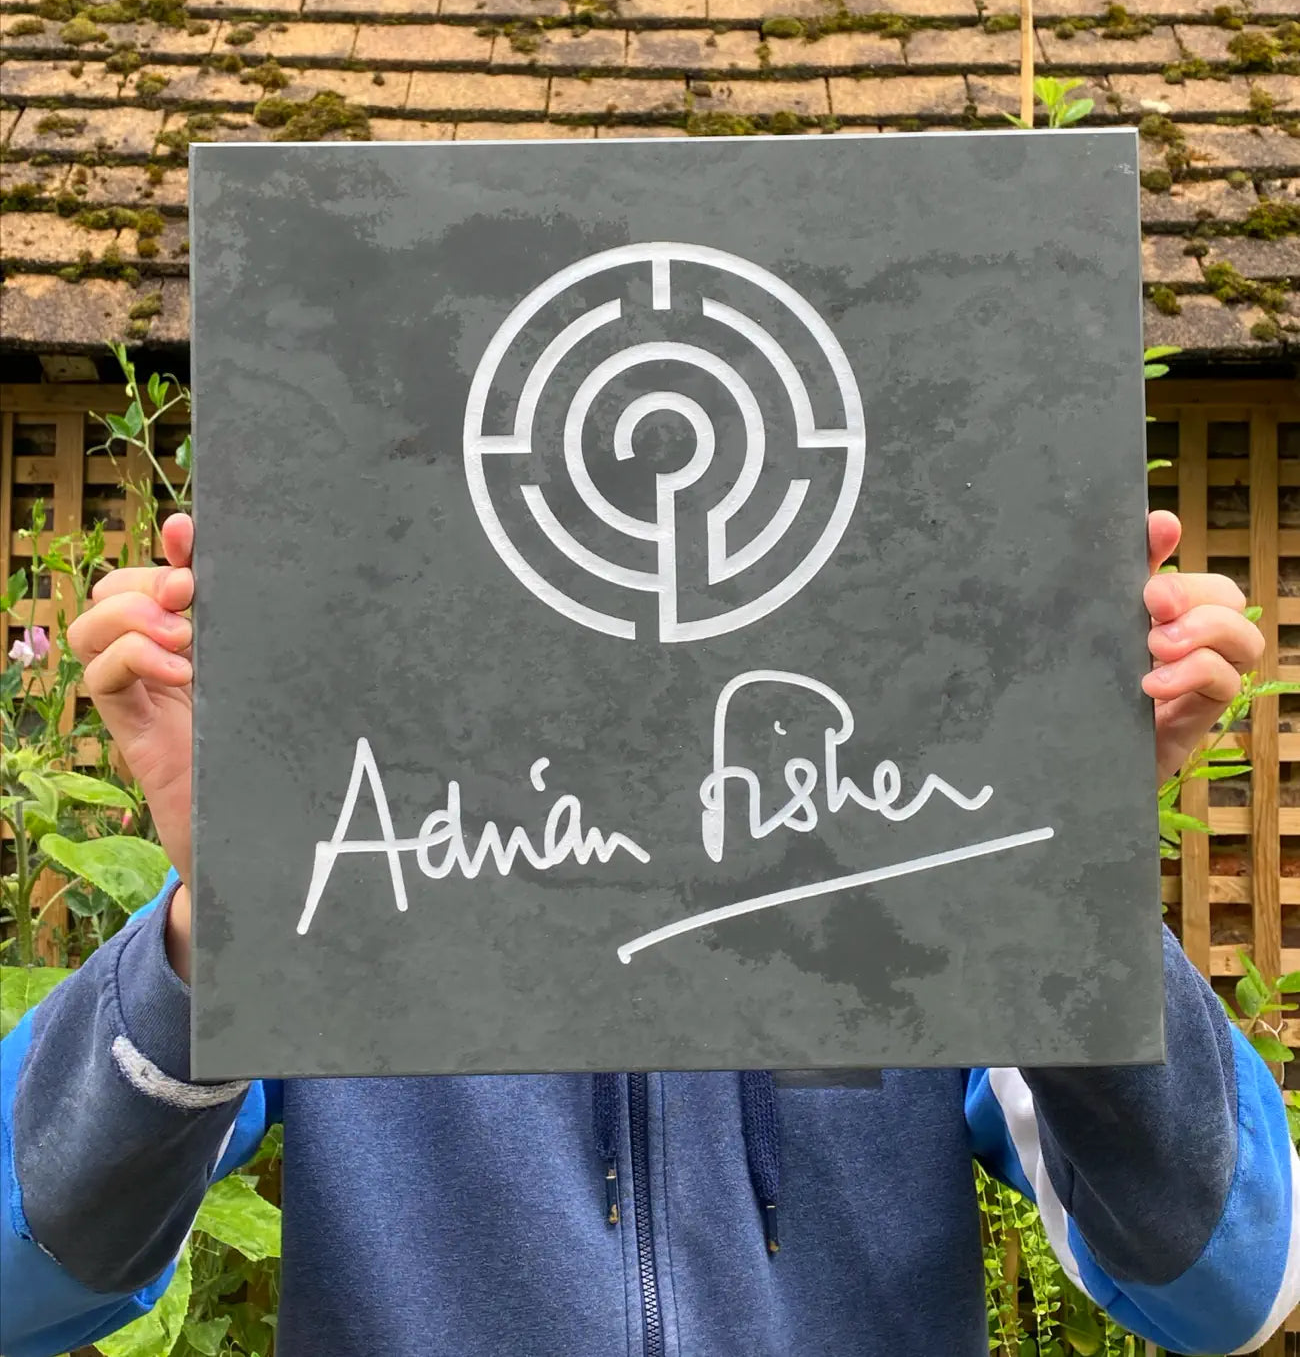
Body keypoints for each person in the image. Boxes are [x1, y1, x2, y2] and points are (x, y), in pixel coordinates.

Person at [1, 508, 1297, 1357]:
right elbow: (23, 1272)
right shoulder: (361, 852)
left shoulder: (909, 850)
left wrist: (1059, 880)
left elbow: (1231, 1281)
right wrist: (228, 916)